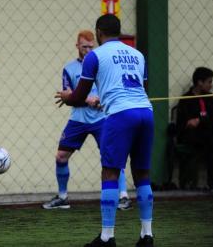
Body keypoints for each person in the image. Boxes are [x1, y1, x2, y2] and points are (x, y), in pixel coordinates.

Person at [56, 14, 154, 247]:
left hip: (120, 116)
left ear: (99, 33)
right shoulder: (138, 55)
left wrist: (68, 98)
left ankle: (107, 237)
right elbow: (142, 87)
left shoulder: (94, 56)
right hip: (145, 113)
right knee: (142, 173)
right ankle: (147, 235)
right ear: (118, 31)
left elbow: (80, 95)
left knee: (110, 172)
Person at [42, 30, 132, 211]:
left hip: (103, 119)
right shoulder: (69, 68)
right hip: (78, 119)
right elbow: (67, 97)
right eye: (84, 47)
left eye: (91, 47)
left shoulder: (103, 64)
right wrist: (87, 99)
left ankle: (123, 197)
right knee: (61, 156)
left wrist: (102, 100)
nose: (88, 50)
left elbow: (113, 90)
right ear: (77, 46)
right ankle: (63, 197)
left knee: (112, 156)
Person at [176, 67, 213, 191]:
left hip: (209, 132)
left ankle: (212, 183)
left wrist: (200, 120)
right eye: (209, 82)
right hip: (193, 135)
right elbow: (185, 122)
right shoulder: (186, 99)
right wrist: (201, 121)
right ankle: (196, 182)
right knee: (210, 143)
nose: (211, 85)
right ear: (200, 82)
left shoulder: (210, 98)